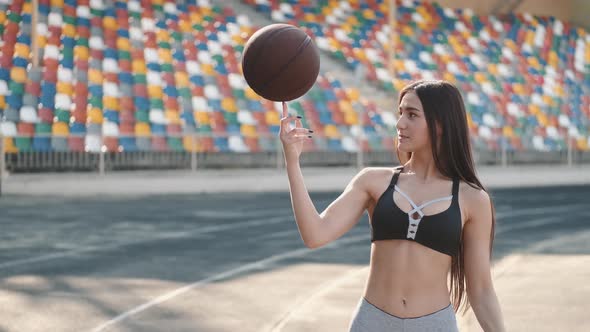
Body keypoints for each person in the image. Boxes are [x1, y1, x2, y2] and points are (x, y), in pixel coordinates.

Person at [279, 80, 506, 332]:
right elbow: (315, 234)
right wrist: (292, 162)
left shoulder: (472, 199)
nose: (400, 124)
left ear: (440, 124)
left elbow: (481, 289)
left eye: (412, 115)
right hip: (372, 322)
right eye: (400, 113)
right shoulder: (373, 181)